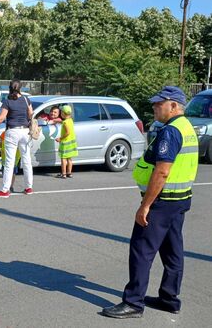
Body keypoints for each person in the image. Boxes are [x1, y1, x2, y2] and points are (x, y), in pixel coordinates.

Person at [102, 86, 199, 319]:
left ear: (173, 106)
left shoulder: (171, 131)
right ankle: (169, 298)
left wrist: (145, 205)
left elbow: (162, 171)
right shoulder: (186, 128)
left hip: (162, 202)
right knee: (173, 251)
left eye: (159, 104)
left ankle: (133, 302)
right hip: (179, 201)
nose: (154, 107)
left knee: (141, 250)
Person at [0, 79, 33, 198]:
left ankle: (5, 190)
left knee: (9, 162)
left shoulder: (7, 101)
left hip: (12, 131)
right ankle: (28, 187)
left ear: (10, 88)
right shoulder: (26, 99)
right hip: (25, 131)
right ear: (20, 88)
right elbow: (31, 114)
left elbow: (0, 119)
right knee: (26, 160)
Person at [55, 105, 78, 178]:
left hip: (65, 143)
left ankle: (63, 173)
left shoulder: (65, 122)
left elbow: (67, 132)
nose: (60, 114)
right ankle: (69, 173)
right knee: (69, 159)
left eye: (61, 112)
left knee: (63, 159)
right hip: (71, 143)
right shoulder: (70, 120)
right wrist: (60, 122)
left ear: (63, 113)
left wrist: (60, 138)